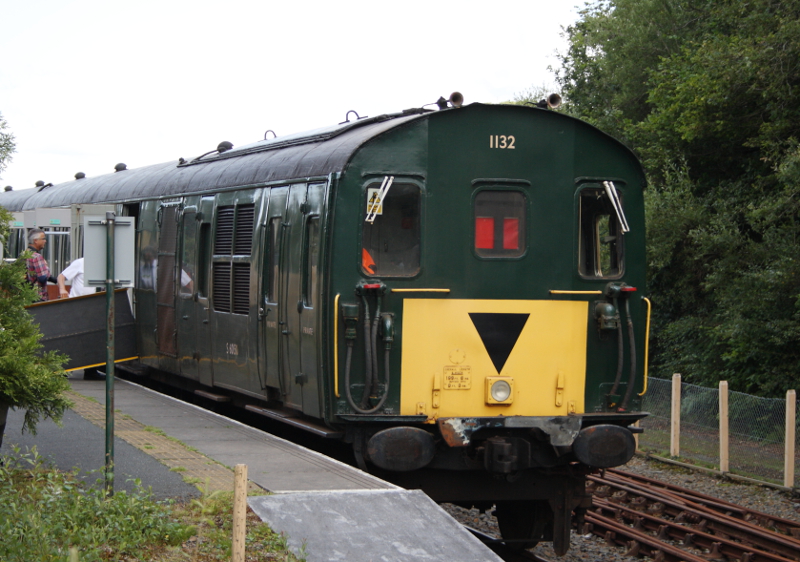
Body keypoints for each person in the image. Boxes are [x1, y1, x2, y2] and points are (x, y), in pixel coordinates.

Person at [25, 228, 55, 301]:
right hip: (37, 296)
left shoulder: (23, 254)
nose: (45, 241)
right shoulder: (37, 257)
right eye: (43, 238)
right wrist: (46, 268)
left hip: (25, 295)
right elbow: (42, 278)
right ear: (35, 240)